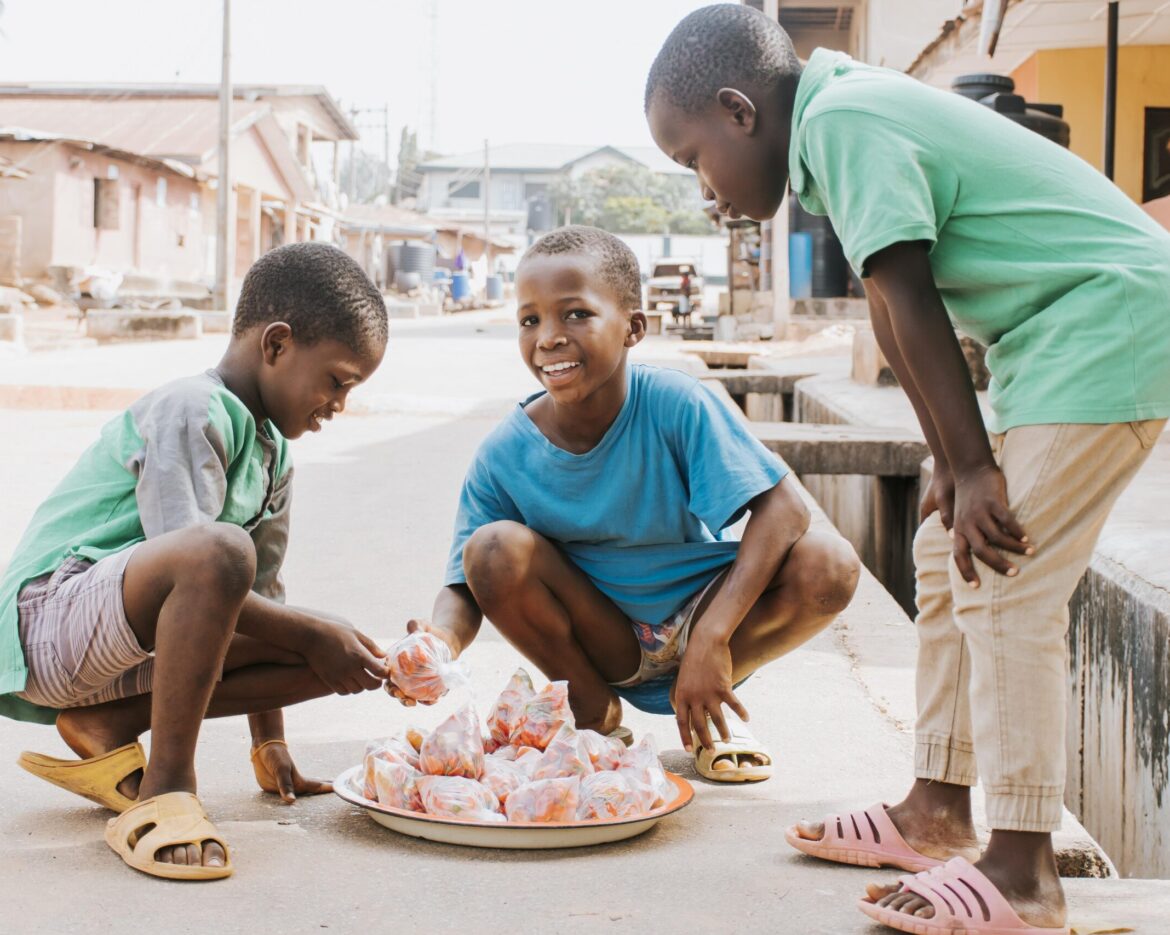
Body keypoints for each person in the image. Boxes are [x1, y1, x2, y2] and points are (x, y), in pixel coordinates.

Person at [645, 6, 1170, 933]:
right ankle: (936, 808)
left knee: (1007, 576)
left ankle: (1021, 869)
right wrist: (946, 462)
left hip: (1109, 326)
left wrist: (977, 465)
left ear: (739, 111)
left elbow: (910, 290)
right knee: (944, 550)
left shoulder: (846, 122)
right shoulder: (833, 128)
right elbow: (891, 309)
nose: (704, 191)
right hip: (1055, 343)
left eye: (693, 160)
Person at [389, 225, 859, 781]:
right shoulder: (505, 452)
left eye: (576, 315)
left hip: (706, 617)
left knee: (829, 564)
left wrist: (712, 637)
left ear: (634, 327)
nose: (548, 338)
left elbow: (786, 510)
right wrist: (438, 643)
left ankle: (711, 698)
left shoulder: (675, 403)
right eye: (530, 320)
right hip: (603, 636)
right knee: (491, 548)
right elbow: (464, 584)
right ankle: (592, 707)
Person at [2, 242, 392, 881]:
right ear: (276, 344)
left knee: (341, 653)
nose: (339, 404)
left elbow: (259, 594)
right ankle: (166, 791)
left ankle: (105, 723)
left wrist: (271, 744)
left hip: (122, 647)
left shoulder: (274, 457)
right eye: (338, 380)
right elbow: (197, 556)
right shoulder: (192, 406)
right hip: (49, 619)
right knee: (226, 556)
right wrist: (312, 629)